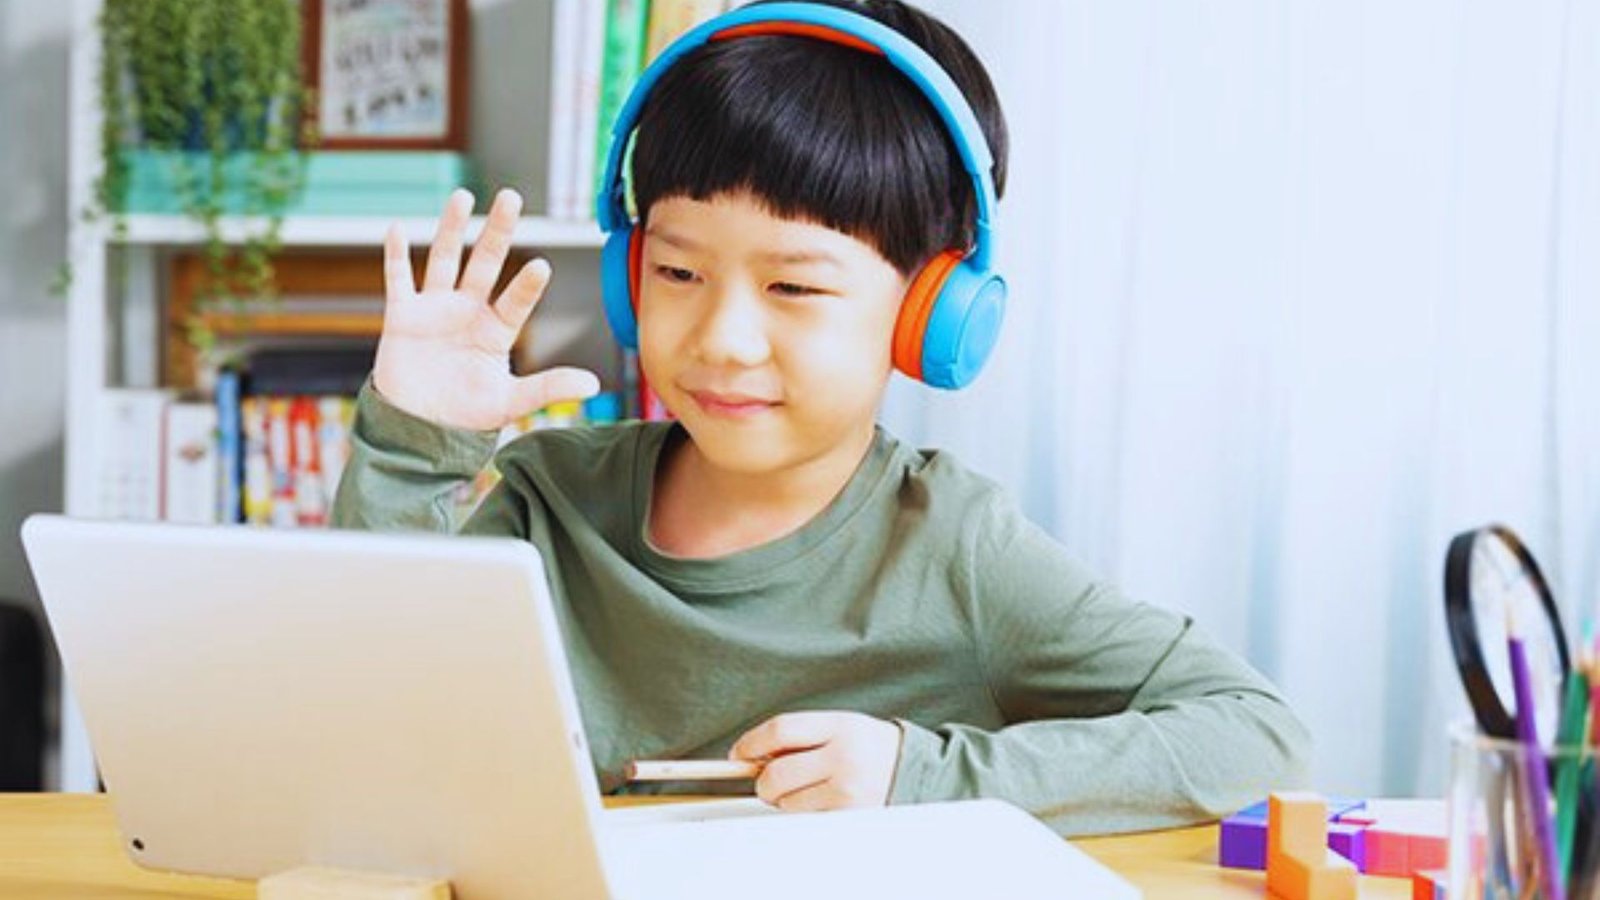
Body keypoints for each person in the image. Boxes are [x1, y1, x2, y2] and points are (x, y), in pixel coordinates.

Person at [331, 0, 1311, 835]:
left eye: (794, 286)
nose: (722, 337)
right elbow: (367, 701)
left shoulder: (954, 549)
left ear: (932, 313)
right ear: (631, 278)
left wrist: (917, 776)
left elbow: (1254, 735)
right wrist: (416, 444)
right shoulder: (550, 500)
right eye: (677, 272)